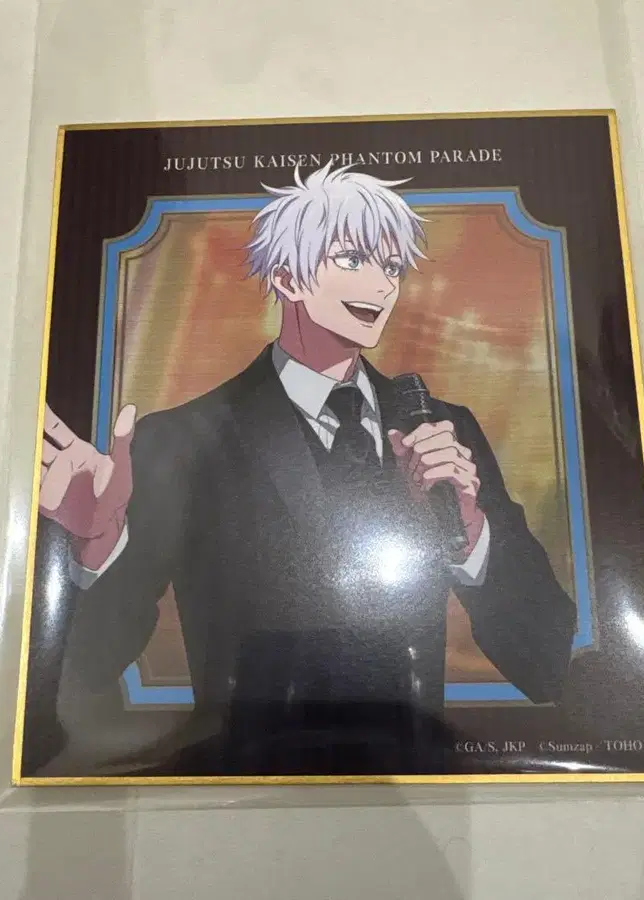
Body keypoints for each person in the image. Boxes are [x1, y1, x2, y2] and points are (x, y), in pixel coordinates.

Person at [39, 162, 576, 775]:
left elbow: (546, 662)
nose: (381, 286)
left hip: (415, 773)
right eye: (353, 259)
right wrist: (96, 551)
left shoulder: (445, 428)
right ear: (288, 276)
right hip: (248, 779)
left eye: (392, 267)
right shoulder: (183, 439)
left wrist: (472, 534)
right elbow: (78, 679)